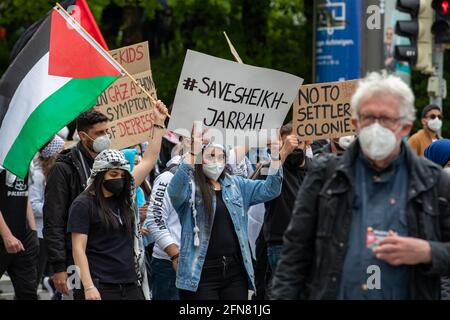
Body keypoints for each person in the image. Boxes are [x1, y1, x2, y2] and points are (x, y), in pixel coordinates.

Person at [271, 72, 450, 300]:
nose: (376, 127)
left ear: (405, 127)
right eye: (368, 118)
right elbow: (295, 252)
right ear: (355, 123)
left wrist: (428, 252)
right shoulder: (325, 174)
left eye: (386, 119)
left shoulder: (434, 182)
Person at [167, 126, 283, 300]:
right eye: (211, 156)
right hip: (200, 273)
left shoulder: (237, 185)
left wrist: (275, 156)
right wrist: (193, 151)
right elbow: (175, 191)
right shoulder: (190, 187)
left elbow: (271, 190)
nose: (217, 162)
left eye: (222, 157)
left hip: (234, 270)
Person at [68, 102, 168, 300]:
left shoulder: (126, 195)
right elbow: (78, 249)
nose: (119, 179)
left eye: (123, 174)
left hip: (130, 283)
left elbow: (150, 159)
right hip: (101, 285)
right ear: (100, 175)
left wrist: (158, 122)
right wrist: (88, 287)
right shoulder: (83, 204)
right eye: (113, 174)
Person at [43, 110, 110, 298]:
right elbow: (54, 219)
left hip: (106, 254)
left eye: (107, 131)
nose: (105, 137)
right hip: (75, 256)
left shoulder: (109, 164)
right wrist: (59, 266)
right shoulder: (64, 168)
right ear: (83, 135)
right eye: (99, 133)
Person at [263, 123, 310, 274]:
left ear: (307, 143)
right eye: (290, 144)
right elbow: (264, 186)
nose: (295, 148)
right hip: (281, 245)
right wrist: (283, 152)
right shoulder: (270, 167)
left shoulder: (316, 168)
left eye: (299, 143)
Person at [29, 135, 65, 295]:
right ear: (53, 154)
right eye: (61, 151)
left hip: (51, 231)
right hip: (39, 233)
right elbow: (33, 205)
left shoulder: (54, 173)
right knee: (33, 277)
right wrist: (57, 208)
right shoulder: (37, 176)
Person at [0, 168, 39, 300]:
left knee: (28, 292)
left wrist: (32, 231)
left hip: (23, 238)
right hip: (4, 237)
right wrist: (6, 235)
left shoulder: (23, 160)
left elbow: (24, 194)